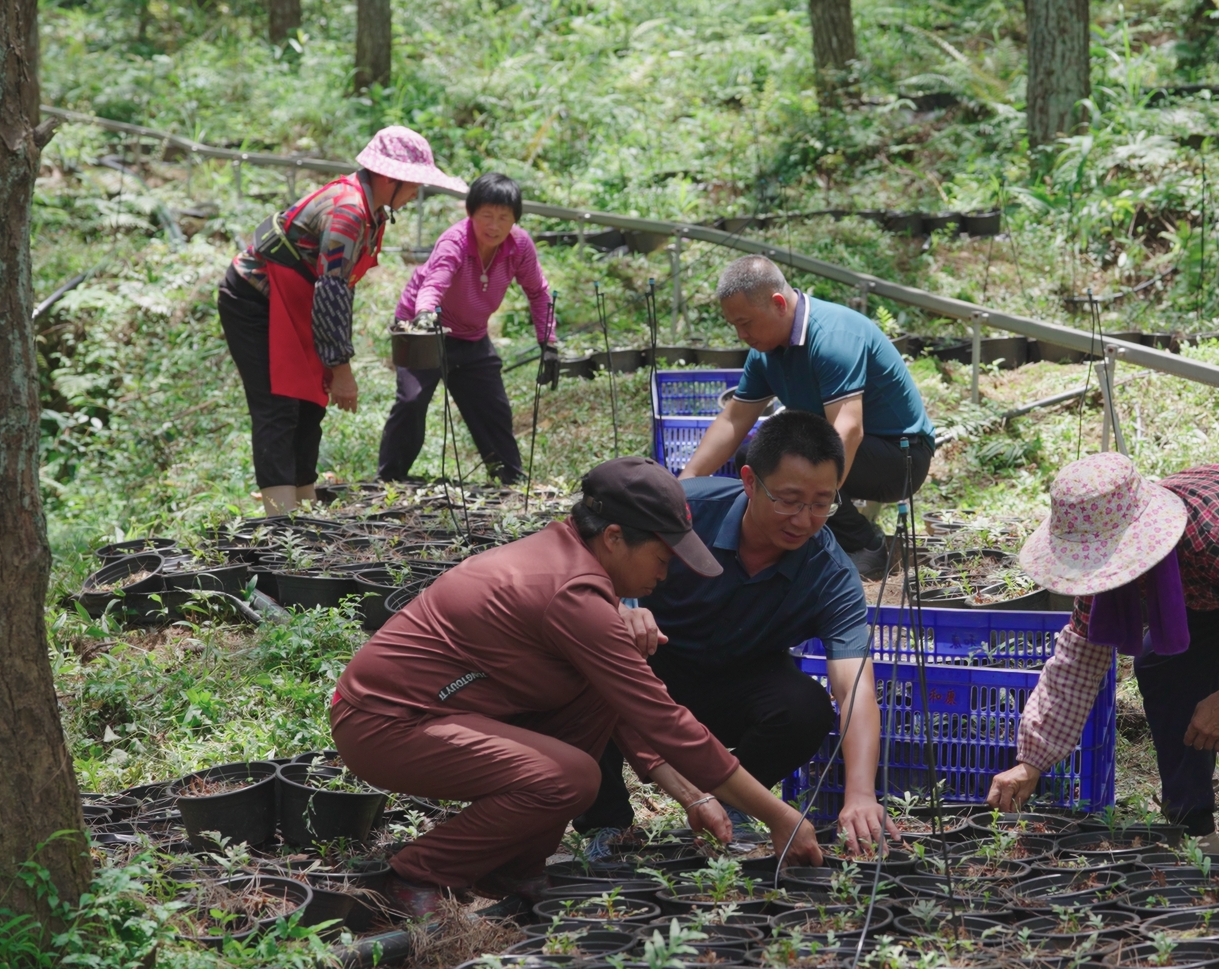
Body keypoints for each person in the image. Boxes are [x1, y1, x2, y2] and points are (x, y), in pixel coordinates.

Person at [331, 457, 824, 917]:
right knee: (571, 778)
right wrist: (779, 816)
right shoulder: (573, 595)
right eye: (662, 555)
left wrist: (692, 795)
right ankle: (416, 874)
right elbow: (667, 722)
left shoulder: (572, 563)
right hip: (385, 722)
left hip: (449, 708)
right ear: (613, 536)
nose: (666, 571)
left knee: (596, 695)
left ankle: (516, 868)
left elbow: (625, 707)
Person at [985, 453, 1219, 898]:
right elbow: (1077, 662)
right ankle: (1196, 826)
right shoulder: (1103, 566)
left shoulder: (1213, 536)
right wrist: (1032, 761)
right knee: (1162, 666)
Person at [577, 411, 891, 850]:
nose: (804, 519)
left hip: (739, 681)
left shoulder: (830, 571)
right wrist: (618, 607)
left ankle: (735, 805)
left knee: (806, 707)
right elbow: (588, 559)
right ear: (749, 481)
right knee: (585, 667)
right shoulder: (686, 511)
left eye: (822, 503)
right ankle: (606, 824)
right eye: (788, 499)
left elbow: (855, 687)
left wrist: (860, 793)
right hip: (649, 667)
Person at [217, 126, 466, 515]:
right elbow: (331, 292)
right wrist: (341, 369)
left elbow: (335, 292)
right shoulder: (349, 212)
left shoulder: (372, 210)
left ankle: (304, 508)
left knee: (308, 405)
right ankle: (281, 525)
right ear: (389, 179)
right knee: (278, 405)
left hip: (299, 303)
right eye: (414, 183)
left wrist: (333, 364)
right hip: (255, 302)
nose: (417, 192)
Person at [678, 256, 934, 579]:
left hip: (901, 456)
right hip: (850, 449)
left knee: (790, 466)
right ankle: (817, 531)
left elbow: (849, 429)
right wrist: (682, 487)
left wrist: (811, 507)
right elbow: (732, 421)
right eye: (734, 326)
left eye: (746, 323)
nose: (741, 335)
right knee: (755, 459)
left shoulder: (831, 338)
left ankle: (866, 545)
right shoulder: (764, 352)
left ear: (778, 304)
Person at [377, 173, 558, 485]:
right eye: (487, 215)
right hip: (424, 331)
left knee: (493, 408)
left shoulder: (520, 245)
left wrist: (549, 343)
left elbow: (538, 292)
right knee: (411, 401)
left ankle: (509, 479)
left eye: (504, 217)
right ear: (471, 213)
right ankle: (390, 480)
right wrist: (424, 315)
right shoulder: (455, 241)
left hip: (472, 334)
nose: (495, 225)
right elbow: (435, 281)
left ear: (515, 219)